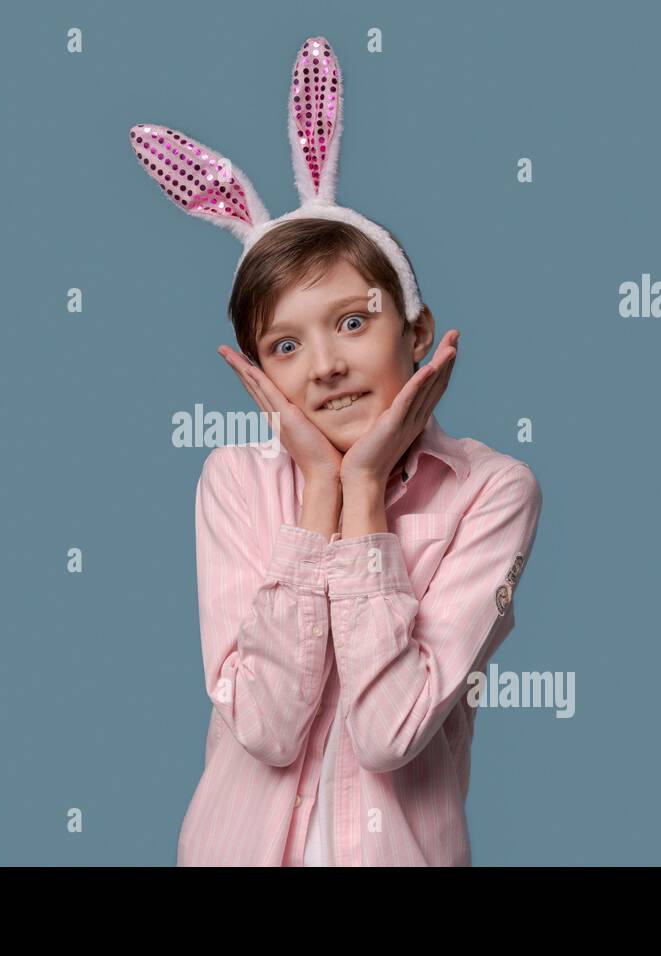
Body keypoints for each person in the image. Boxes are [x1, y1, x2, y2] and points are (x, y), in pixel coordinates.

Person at [129, 35, 542, 865]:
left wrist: (363, 495)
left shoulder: (492, 490)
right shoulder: (233, 481)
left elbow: (391, 733)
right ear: (256, 371)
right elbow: (267, 727)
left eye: (353, 322)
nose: (324, 366)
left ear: (416, 329)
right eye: (285, 346)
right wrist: (321, 487)